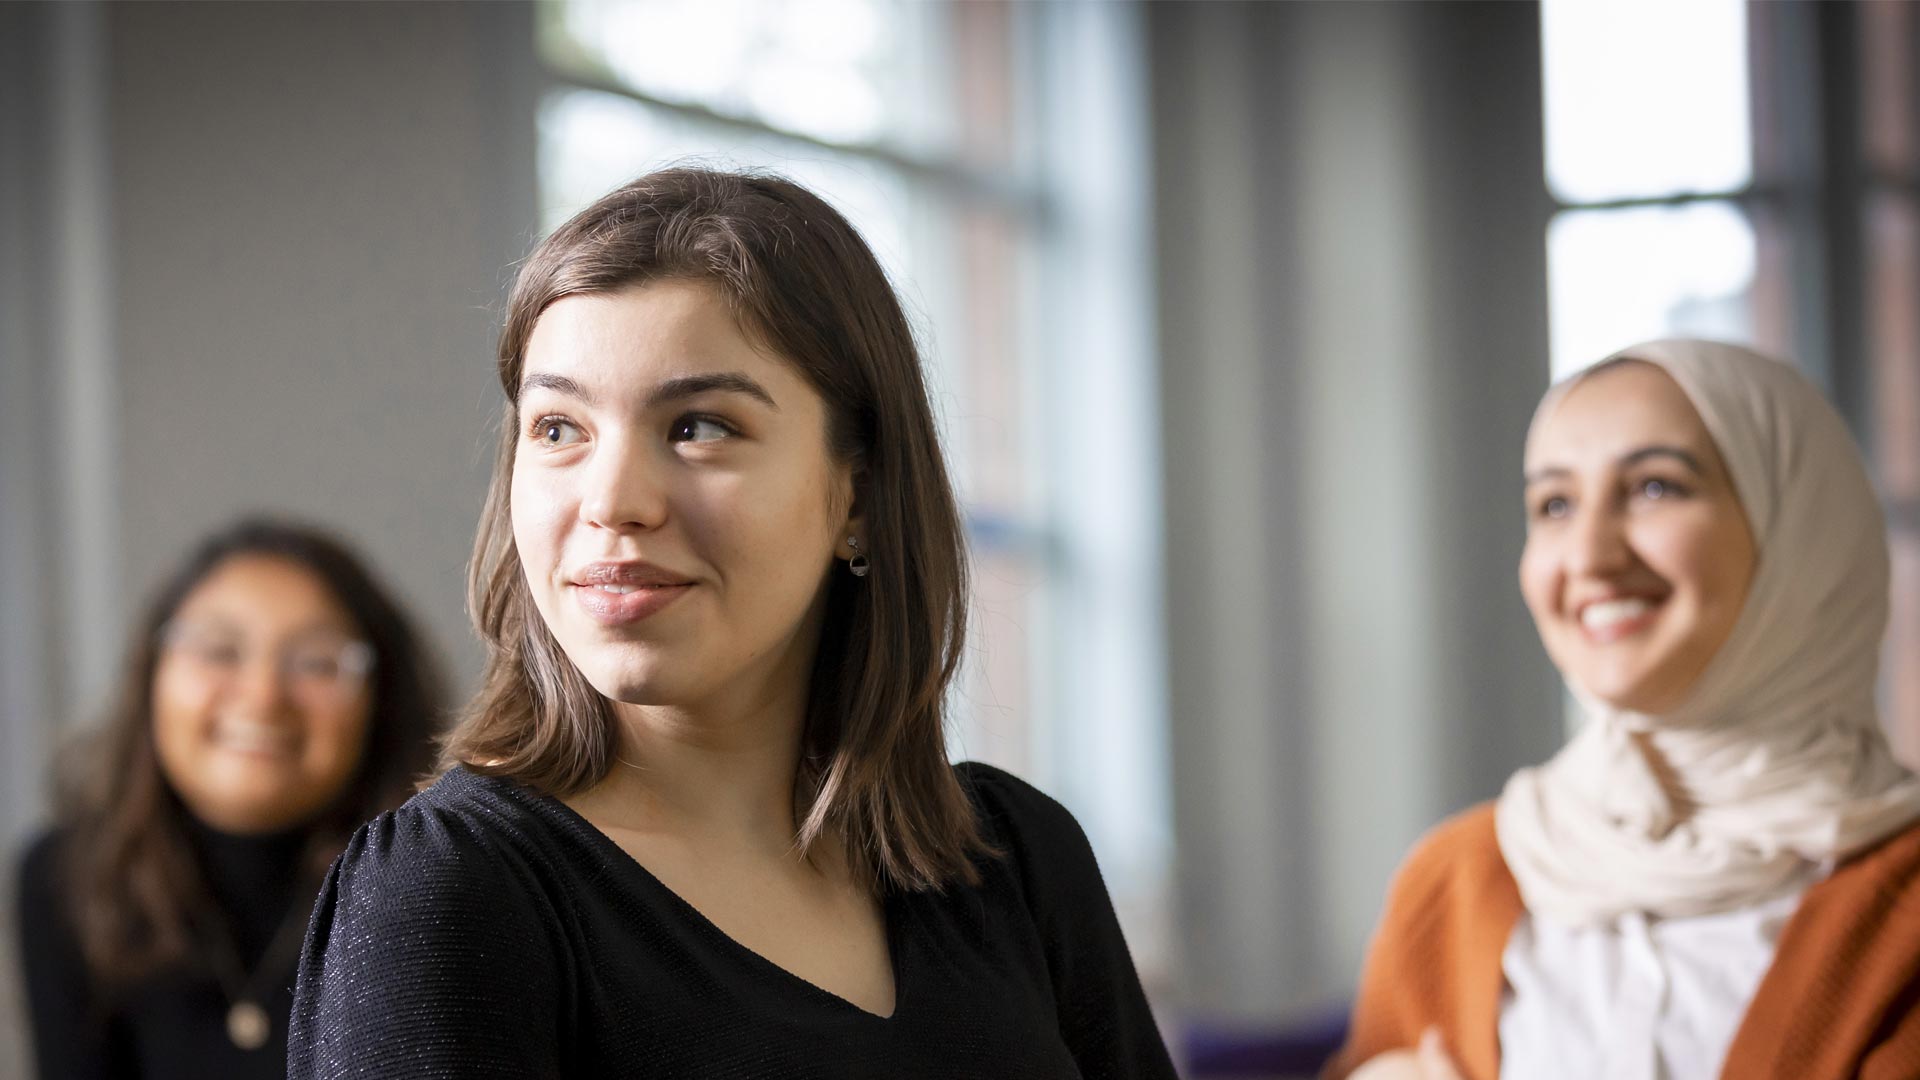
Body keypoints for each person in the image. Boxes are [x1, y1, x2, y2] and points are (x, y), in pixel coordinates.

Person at [287, 167, 1175, 1079]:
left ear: (857, 496)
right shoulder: (448, 897)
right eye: (557, 429)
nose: (614, 502)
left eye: (699, 427)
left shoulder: (1019, 863)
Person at [1331, 339, 1920, 1080]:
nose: (1588, 556)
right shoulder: (1455, 884)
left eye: (1654, 488)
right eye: (1554, 504)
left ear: (1801, 529)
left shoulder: (1903, 911)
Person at [14, 517, 445, 1080]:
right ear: (152, 673)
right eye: (219, 650)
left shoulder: (436, 884)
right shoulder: (68, 877)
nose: (263, 697)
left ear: (380, 702)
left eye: (315, 661)